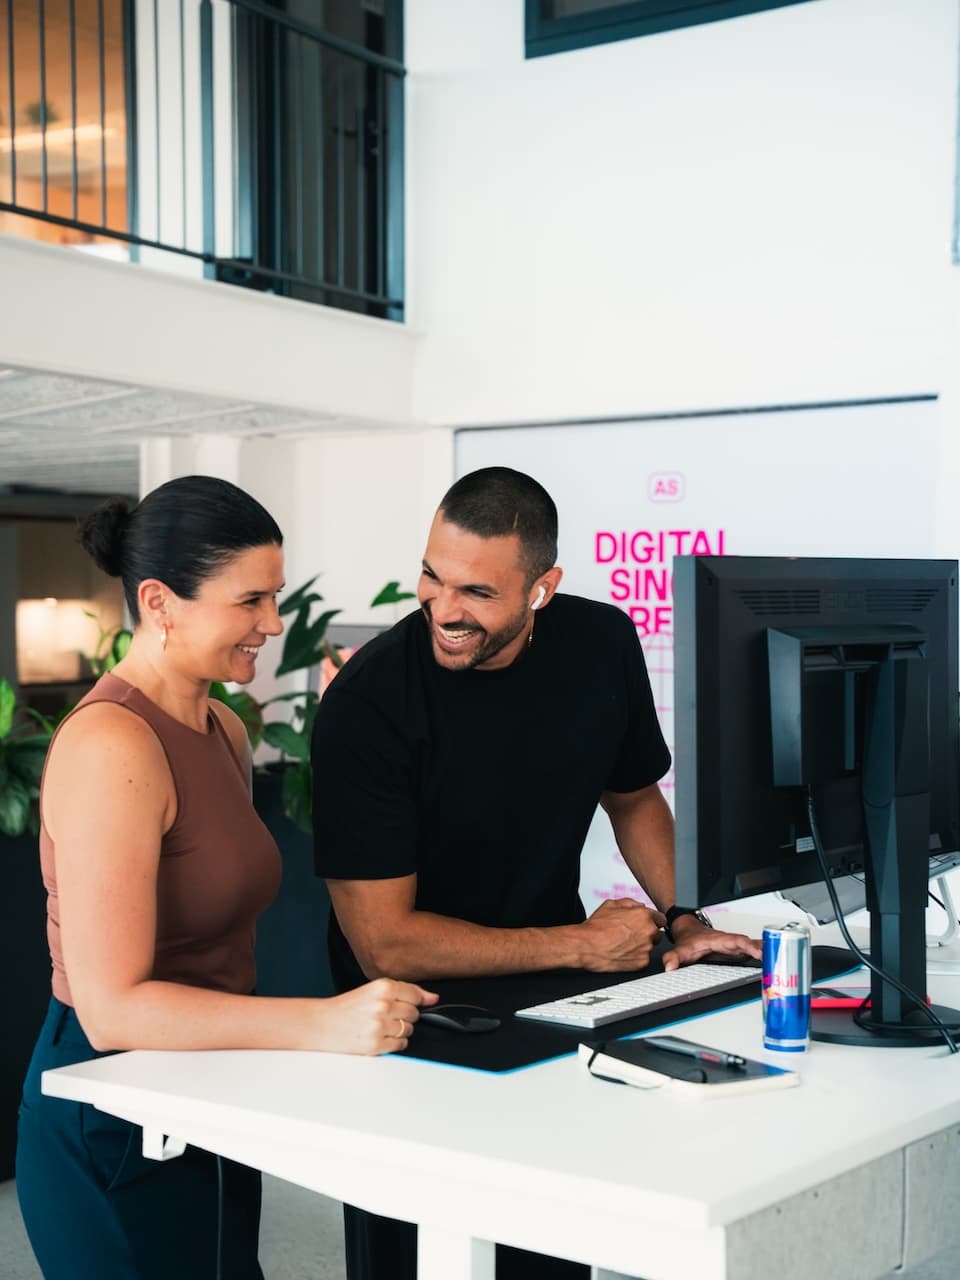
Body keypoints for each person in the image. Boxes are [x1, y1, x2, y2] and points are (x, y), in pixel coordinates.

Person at [311, 465, 761, 1280]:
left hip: (556, 999)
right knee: (417, 1260)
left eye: (478, 593)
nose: (445, 610)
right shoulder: (368, 704)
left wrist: (686, 915)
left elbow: (633, 797)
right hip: (408, 1025)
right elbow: (386, 947)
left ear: (542, 588)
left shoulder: (601, 641)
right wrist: (584, 947)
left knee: (550, 1246)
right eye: (432, 577)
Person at [16, 474, 436, 1280]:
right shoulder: (113, 745)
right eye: (250, 602)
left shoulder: (223, 727)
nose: (274, 625)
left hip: (205, 1086)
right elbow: (111, 1010)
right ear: (160, 601)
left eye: (274, 598)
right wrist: (323, 1025)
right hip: (108, 1105)